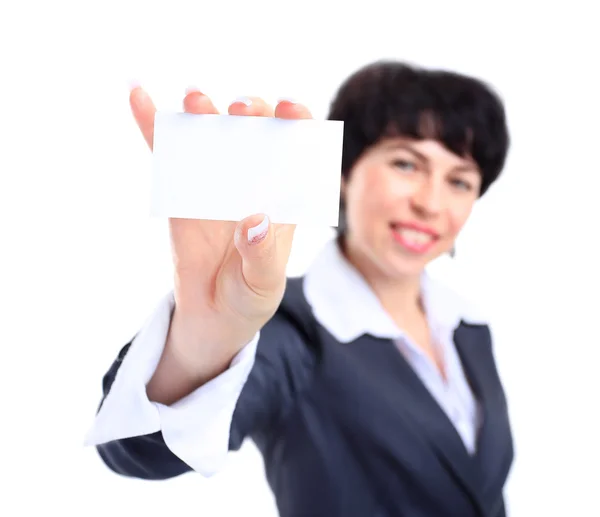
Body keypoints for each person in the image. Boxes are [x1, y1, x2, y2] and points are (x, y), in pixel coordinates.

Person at [85, 60, 514, 517]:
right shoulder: (289, 328)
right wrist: (201, 343)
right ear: (345, 172)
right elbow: (137, 448)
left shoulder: (467, 326)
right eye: (406, 163)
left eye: (459, 181)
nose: (431, 203)